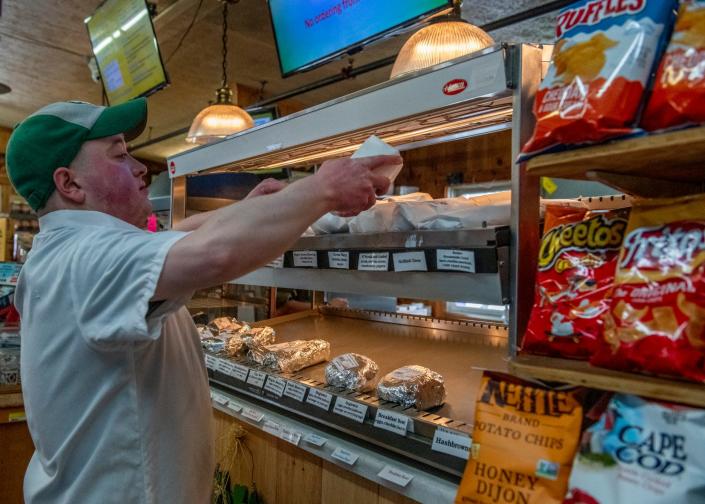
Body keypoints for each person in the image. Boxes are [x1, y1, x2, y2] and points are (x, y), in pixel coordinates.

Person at [6, 98, 399, 504]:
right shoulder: (84, 257)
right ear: (69, 184)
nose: (142, 168)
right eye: (120, 154)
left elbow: (182, 238)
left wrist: (252, 210)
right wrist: (324, 187)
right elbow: (213, 253)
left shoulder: (74, 250)